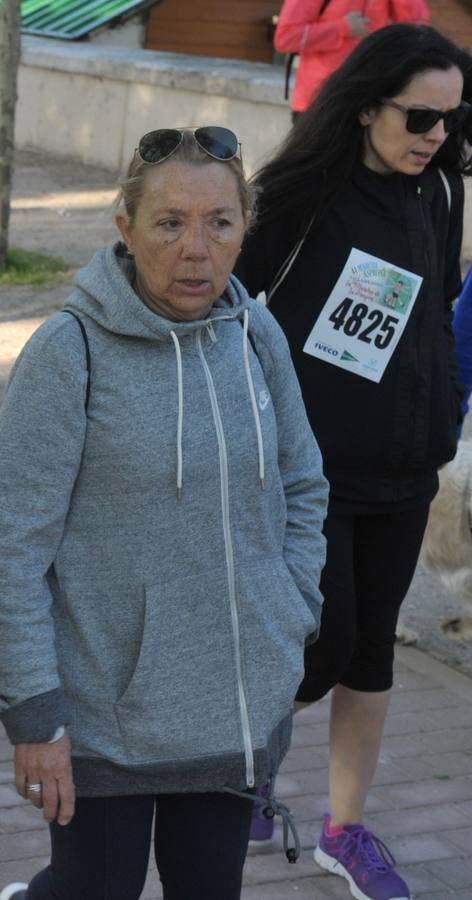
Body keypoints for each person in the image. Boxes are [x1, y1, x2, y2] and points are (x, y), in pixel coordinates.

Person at [0, 125, 329, 899]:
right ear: (126, 228)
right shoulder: (71, 354)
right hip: (105, 726)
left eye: (219, 223)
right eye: (170, 223)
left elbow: (304, 483)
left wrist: (288, 610)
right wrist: (34, 718)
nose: (196, 249)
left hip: (232, 711)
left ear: (243, 229)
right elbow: (9, 553)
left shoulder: (254, 333)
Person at [236, 24, 470, 900]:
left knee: (371, 654)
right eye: (420, 117)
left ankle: (343, 829)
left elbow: (438, 306)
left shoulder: (439, 193)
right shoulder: (304, 190)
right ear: (367, 105)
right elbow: (228, 294)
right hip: (311, 475)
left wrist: (443, 402)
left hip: (407, 468)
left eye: (452, 119)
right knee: (321, 647)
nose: (436, 136)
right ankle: (242, 764)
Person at [275, 0, 428, 118]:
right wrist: (342, 27)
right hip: (318, 103)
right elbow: (286, 37)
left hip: (366, 103)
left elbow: (416, 29)